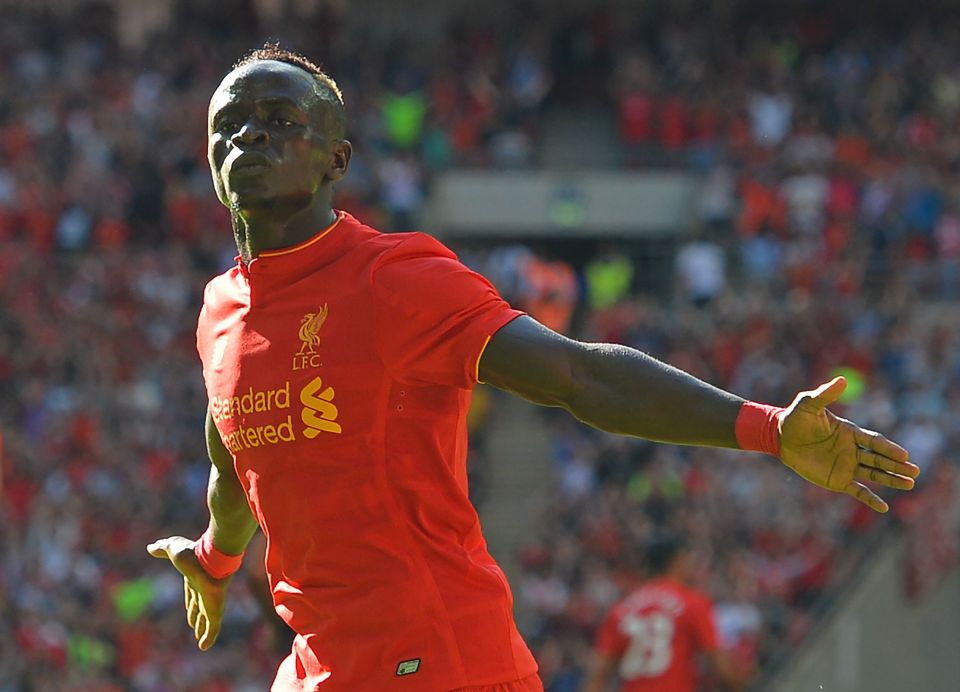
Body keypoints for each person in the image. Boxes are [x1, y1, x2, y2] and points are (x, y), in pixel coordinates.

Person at [146, 44, 919, 692]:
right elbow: (236, 457)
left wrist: (769, 428)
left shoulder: (393, 277)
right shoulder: (219, 309)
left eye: (281, 121)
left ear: (335, 160)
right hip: (318, 669)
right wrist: (214, 559)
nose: (249, 136)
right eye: (230, 124)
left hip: (444, 663)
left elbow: (580, 376)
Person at [583, 535, 747, 692]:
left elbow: (597, 678)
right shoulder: (693, 603)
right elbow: (720, 666)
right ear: (678, 561)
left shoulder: (620, 611)